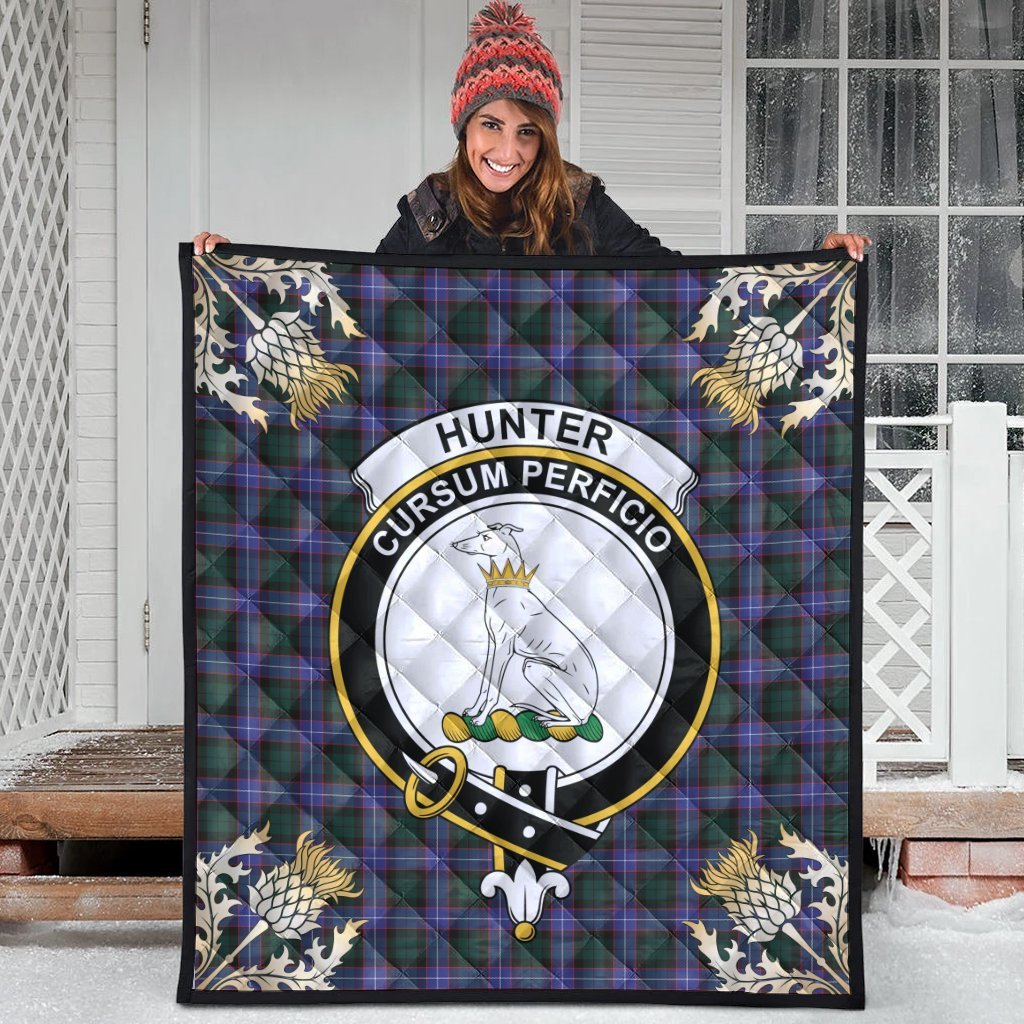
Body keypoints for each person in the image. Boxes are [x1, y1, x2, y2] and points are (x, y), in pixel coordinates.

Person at [193, 1, 870, 262]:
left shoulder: (580, 203)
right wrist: (235, 272)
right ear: (464, 128)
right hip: (457, 440)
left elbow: (685, 286)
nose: (507, 151)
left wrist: (813, 266)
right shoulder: (430, 211)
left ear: (546, 138)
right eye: (491, 125)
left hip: (567, 437)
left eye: (527, 133)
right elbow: (357, 308)